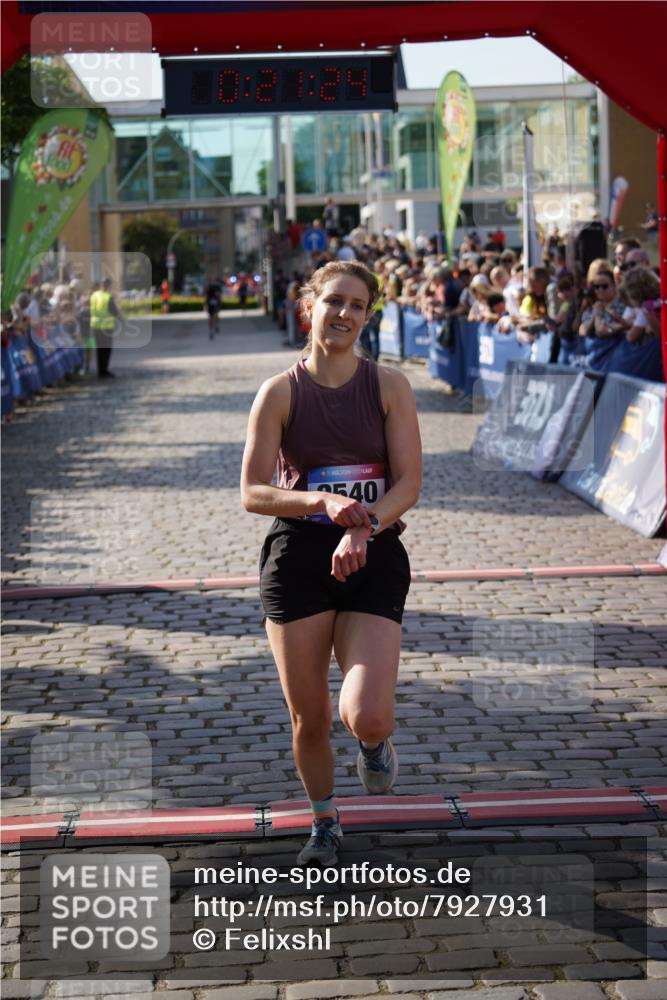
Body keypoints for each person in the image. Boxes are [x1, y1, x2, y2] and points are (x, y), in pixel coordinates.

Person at [240, 260, 422, 867]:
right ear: (309, 307)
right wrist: (319, 500)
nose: (344, 314)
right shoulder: (280, 391)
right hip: (298, 558)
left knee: (367, 714)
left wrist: (364, 524)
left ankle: (374, 745)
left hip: (373, 551)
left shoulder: (389, 386)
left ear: (368, 317)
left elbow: (410, 482)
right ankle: (323, 818)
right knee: (311, 715)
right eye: (334, 301)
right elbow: (253, 491)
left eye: (358, 305)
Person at [90, 278, 121, 378]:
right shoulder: (108, 296)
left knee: (99, 349)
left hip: (96, 326)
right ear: (108, 285)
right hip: (106, 327)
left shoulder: (94, 295)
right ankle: (104, 370)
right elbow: (114, 311)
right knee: (106, 349)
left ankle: (100, 370)